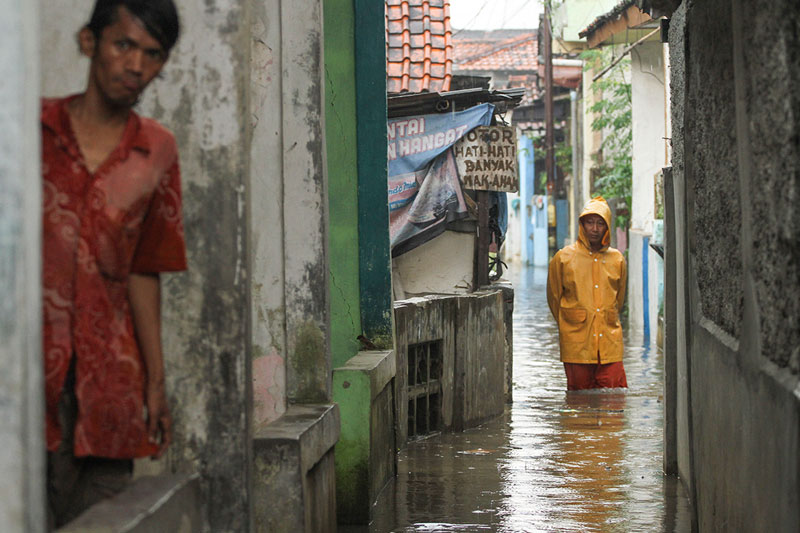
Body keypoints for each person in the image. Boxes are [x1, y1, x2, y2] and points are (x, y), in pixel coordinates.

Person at [41, 0, 185, 527]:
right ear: (89, 42)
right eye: (123, 45)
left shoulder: (157, 151)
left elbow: (145, 270)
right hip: (29, 375)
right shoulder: (28, 131)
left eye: (152, 54)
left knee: (104, 519)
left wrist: (155, 383)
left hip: (110, 386)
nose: (135, 66)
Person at [546, 196, 627, 390]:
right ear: (582, 224)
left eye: (600, 223)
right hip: (576, 343)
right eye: (590, 222)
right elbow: (554, 298)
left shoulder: (617, 259)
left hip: (610, 342)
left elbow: (620, 299)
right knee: (578, 402)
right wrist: (571, 322)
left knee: (614, 402)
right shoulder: (563, 258)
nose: (595, 229)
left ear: (607, 227)